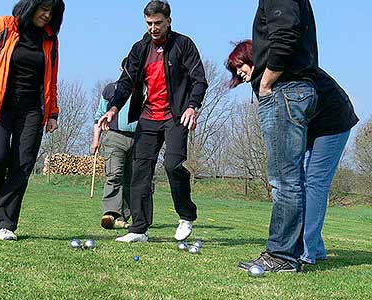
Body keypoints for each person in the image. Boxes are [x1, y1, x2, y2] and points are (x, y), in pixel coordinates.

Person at [226, 39, 358, 269]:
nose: (239, 72)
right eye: (235, 70)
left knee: (315, 182)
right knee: (299, 181)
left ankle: (307, 251)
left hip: (333, 122)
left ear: (252, 58)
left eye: (240, 65)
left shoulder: (283, 69)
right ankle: (316, 248)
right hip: (310, 128)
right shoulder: (262, 82)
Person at [98, 0, 208, 242]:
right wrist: (113, 108)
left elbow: (199, 79)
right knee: (140, 171)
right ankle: (138, 229)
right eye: (149, 23)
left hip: (177, 116)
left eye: (158, 23)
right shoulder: (140, 49)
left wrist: (193, 106)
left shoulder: (183, 45)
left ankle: (186, 216)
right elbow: (125, 82)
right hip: (149, 117)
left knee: (173, 165)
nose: (153, 28)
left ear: (168, 21)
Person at [231, 0, 320, 272]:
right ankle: (287, 253)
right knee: (289, 179)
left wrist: (266, 81)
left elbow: (285, 34)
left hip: (285, 89)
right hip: (292, 89)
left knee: (284, 180)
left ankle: (281, 256)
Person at [0, 0, 65, 241]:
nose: (46, 15)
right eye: (43, 9)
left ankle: (6, 224)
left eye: (51, 12)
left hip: (32, 109)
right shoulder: (1, 26)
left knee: (22, 164)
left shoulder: (49, 40)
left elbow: (51, 79)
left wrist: (52, 112)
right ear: (30, 6)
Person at [91, 58, 137, 230]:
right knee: (114, 174)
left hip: (138, 139)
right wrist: (96, 140)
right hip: (114, 137)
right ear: (122, 69)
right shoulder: (111, 89)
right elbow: (99, 116)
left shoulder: (144, 90)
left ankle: (123, 217)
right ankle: (110, 213)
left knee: (131, 179)